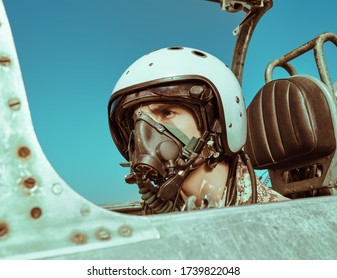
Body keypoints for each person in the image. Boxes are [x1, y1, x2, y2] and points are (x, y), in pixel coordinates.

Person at [108, 46, 288, 214]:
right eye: (136, 122)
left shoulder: (277, 219)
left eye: (167, 112)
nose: (143, 136)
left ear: (217, 123)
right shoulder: (150, 220)